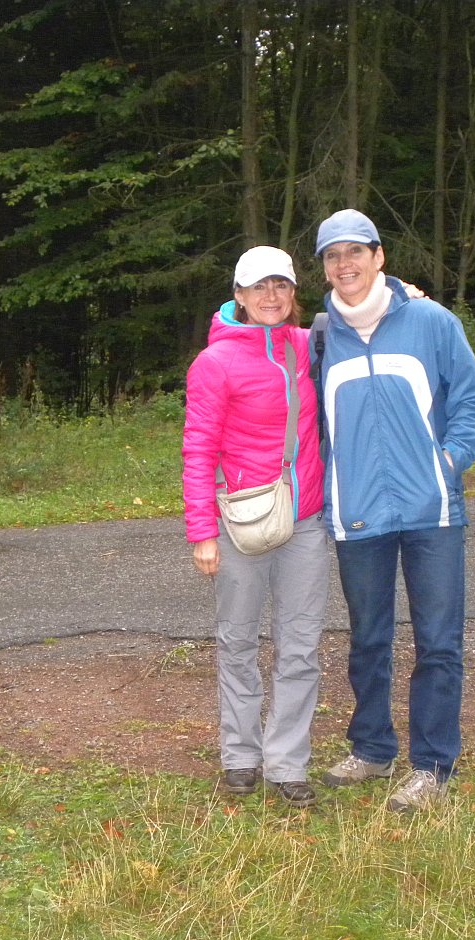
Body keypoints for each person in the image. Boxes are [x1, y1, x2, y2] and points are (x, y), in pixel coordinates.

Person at [312, 209, 475, 813]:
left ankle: (432, 766)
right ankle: (372, 748)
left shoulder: (432, 321)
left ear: (379, 256)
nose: (345, 264)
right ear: (325, 268)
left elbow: (471, 397)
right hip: (358, 511)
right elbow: (250, 329)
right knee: (368, 638)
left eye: (355, 252)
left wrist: (449, 462)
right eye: (333, 256)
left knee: (438, 642)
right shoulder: (317, 339)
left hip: (432, 511)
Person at [181, 245, 330, 809]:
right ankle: (240, 755)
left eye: (281, 285)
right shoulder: (214, 363)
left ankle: (287, 762)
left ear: (293, 292)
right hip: (240, 521)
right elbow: (198, 449)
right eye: (259, 286)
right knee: (238, 641)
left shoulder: (310, 346)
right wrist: (202, 531)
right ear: (239, 296)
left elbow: (368, 317)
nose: (272, 295)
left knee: (300, 647)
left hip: (304, 519)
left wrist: (403, 294)